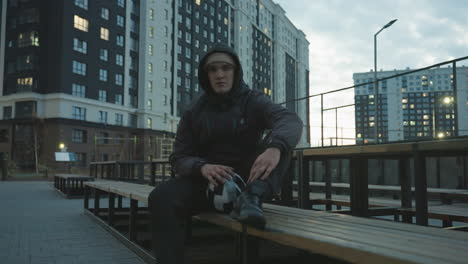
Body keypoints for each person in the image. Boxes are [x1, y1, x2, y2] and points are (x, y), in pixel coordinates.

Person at [148, 43, 303, 263]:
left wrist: (275, 147)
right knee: (160, 197)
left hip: (248, 181)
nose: (220, 74)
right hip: (208, 181)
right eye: (213, 69)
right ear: (205, 75)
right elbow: (179, 157)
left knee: (281, 142)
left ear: (236, 71)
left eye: (226, 68)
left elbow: (290, 120)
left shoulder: (253, 100)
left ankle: (252, 199)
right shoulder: (194, 111)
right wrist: (201, 167)